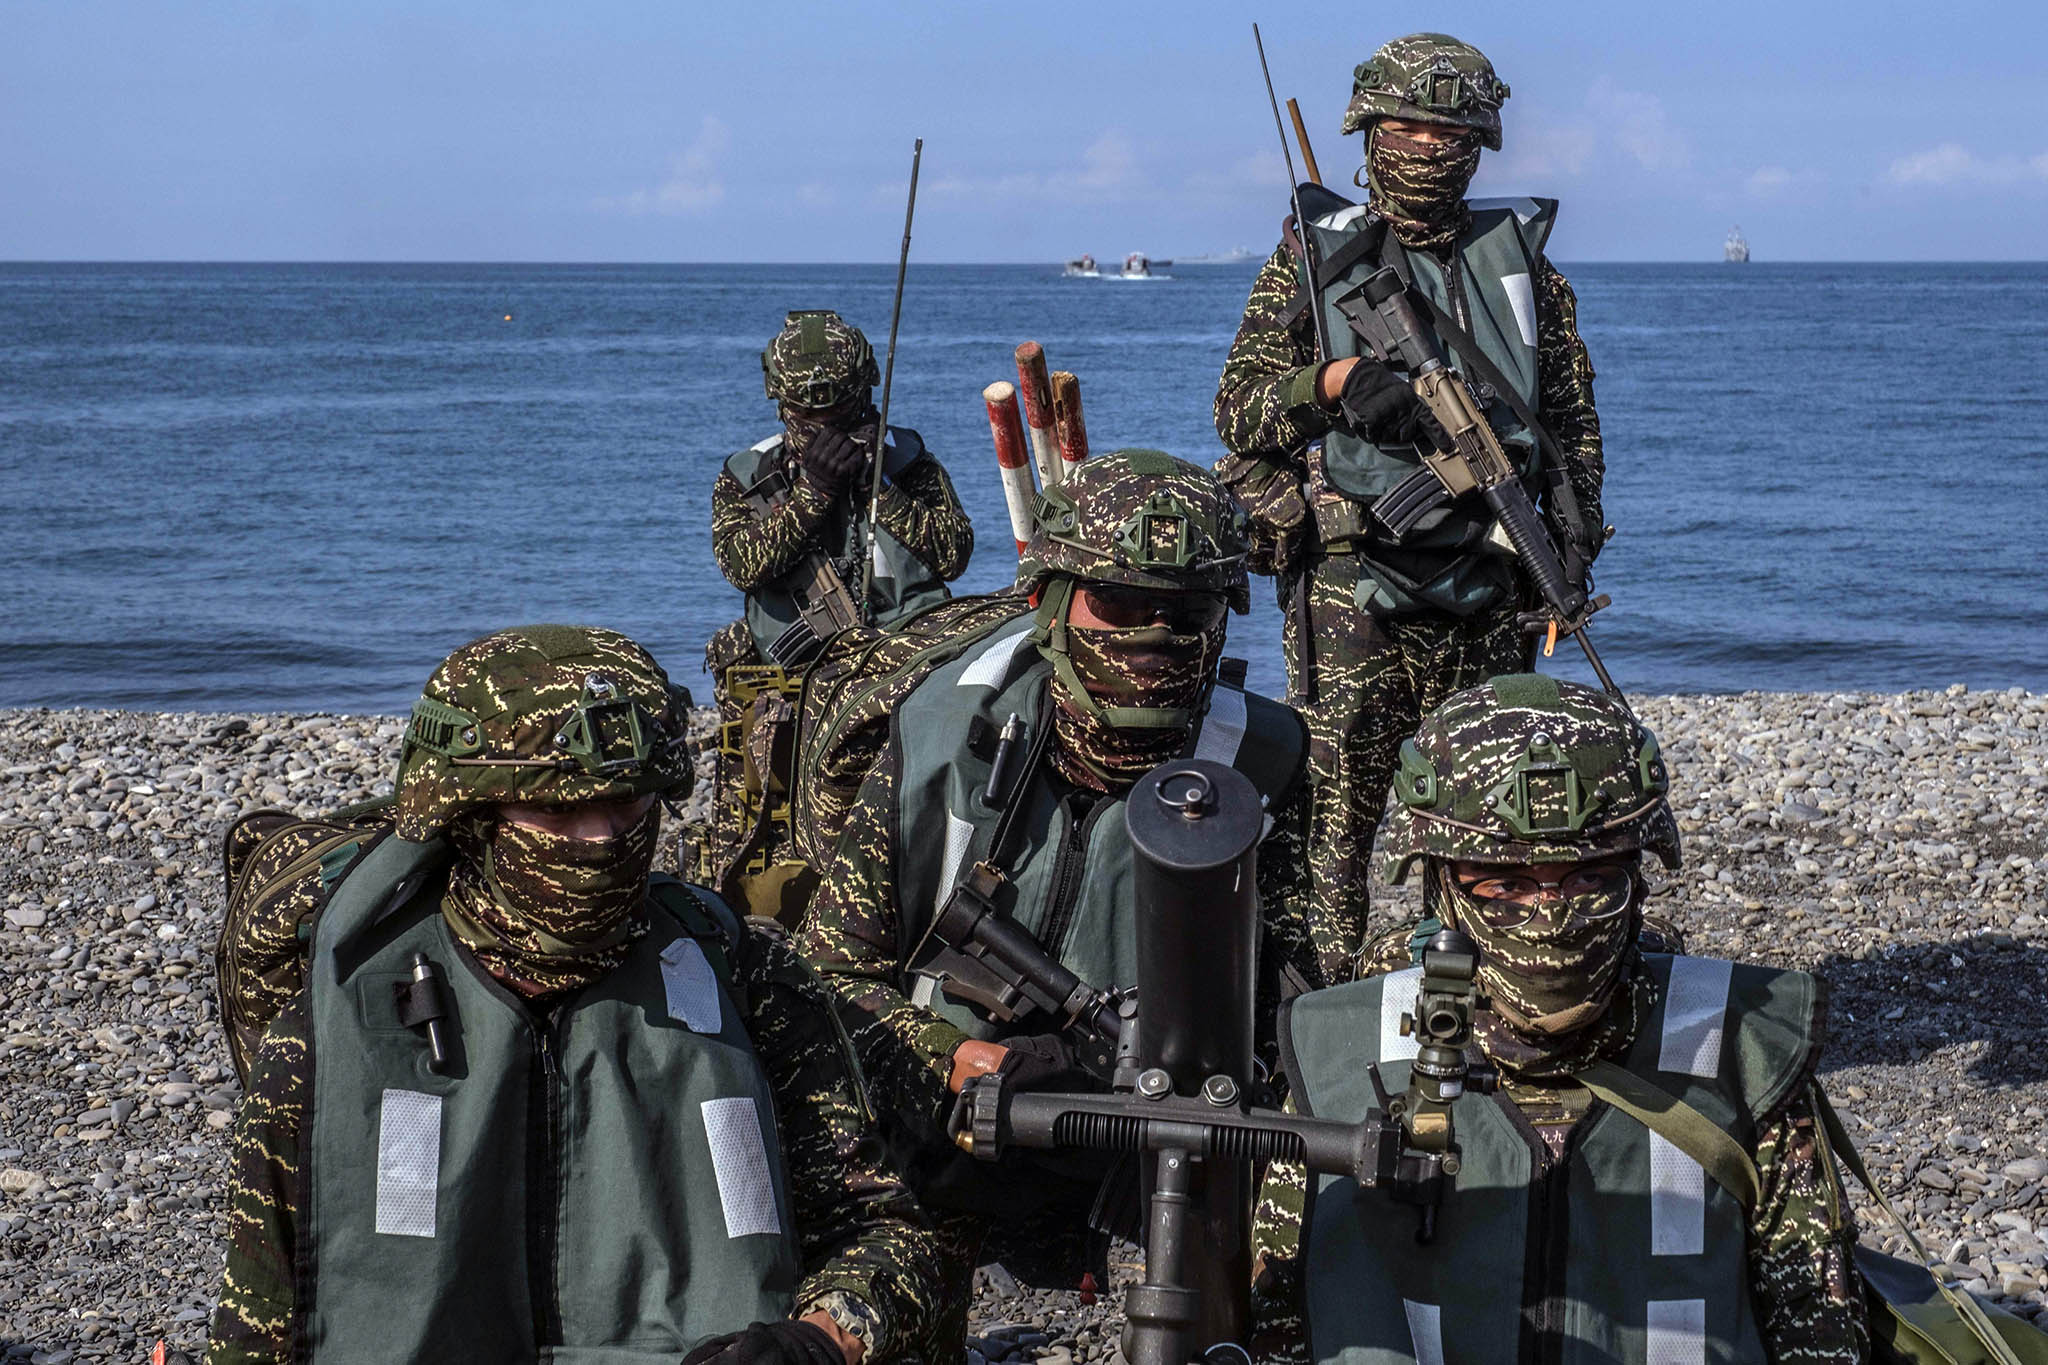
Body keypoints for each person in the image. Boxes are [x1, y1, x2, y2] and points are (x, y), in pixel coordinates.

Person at [205, 626, 947, 1364]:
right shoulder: (336, 1034)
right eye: (559, 812)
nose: (600, 839)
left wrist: (815, 1339)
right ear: (470, 818)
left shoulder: (743, 981)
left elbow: (889, 1237)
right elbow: (261, 1324)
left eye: (629, 806)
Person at [797, 450, 1323, 1346]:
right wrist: (947, 1058)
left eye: (1186, 611)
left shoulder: (1263, 769)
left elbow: (1309, 1024)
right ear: (1051, 603)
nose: (1152, 636)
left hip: (1155, 1126)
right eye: (1117, 604)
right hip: (937, 1113)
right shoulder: (942, 740)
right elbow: (825, 973)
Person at [1248, 673, 1870, 1363]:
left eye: (1588, 878)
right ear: (1443, 887)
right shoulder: (1341, 1058)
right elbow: (1278, 1318)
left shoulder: (1741, 1055)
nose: (1551, 915)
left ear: (1635, 877)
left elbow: (1818, 1322)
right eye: (1507, 884)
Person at [1213, 32, 1608, 977]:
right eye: (1409, 127)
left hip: (1487, 588)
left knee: (1484, 824)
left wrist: (1570, 543)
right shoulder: (1315, 260)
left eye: (1451, 131)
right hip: (1356, 589)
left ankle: (1479, 1008)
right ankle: (1319, 1030)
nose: (1428, 147)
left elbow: (1573, 424)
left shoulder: (1526, 273)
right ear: (1369, 130)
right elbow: (1239, 409)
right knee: (1330, 839)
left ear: (1482, 142)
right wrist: (1336, 383)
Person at [699, 308, 973, 918]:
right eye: (809, 418)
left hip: (906, 672)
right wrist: (813, 496)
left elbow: (952, 553)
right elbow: (743, 565)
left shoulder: (908, 464)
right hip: (794, 689)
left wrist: (881, 489)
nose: (824, 430)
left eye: (840, 416)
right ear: (782, 404)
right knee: (762, 847)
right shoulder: (751, 478)